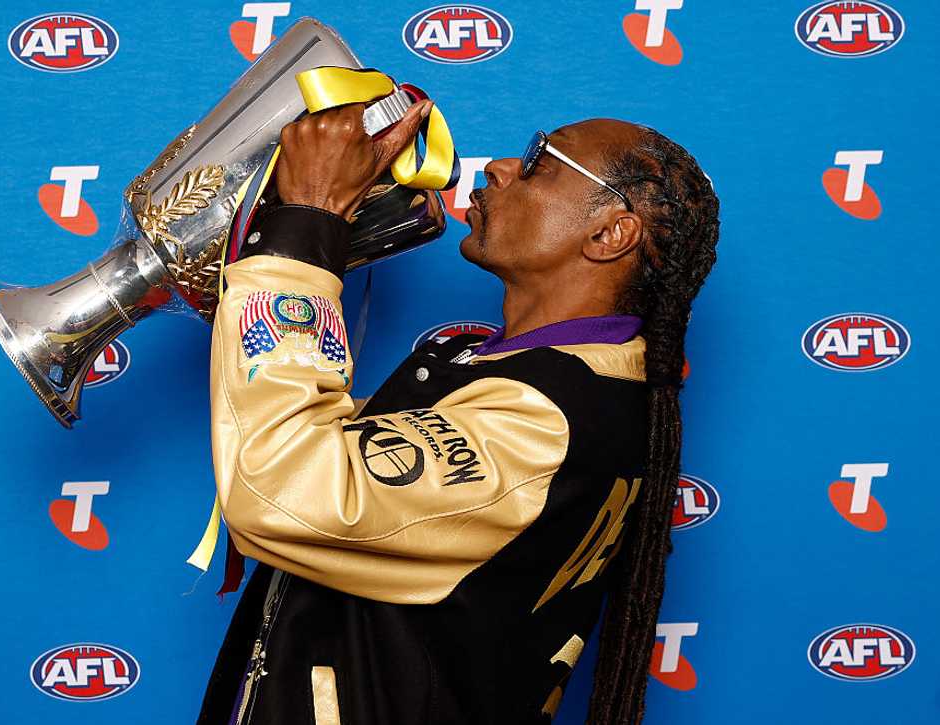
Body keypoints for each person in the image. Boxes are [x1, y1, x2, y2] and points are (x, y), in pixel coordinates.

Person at [196, 98, 719, 725]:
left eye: (539, 163)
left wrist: (309, 220)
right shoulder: (510, 375)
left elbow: (281, 486)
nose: (499, 167)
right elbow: (301, 431)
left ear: (610, 234)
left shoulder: (539, 422)